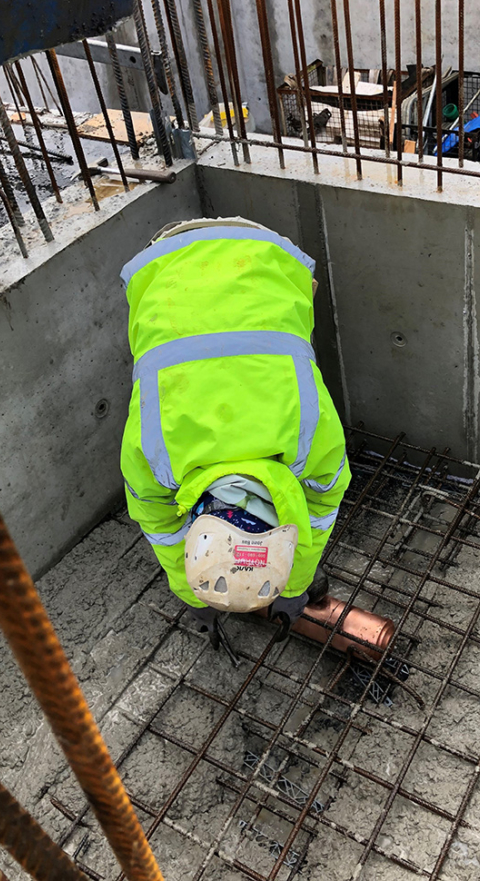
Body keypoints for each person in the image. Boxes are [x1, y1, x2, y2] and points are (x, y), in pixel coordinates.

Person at [120, 217, 350, 649]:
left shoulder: (308, 436)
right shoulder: (153, 456)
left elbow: (320, 509)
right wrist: (201, 593)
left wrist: (293, 583)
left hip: (261, 257)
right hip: (166, 268)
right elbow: (161, 527)